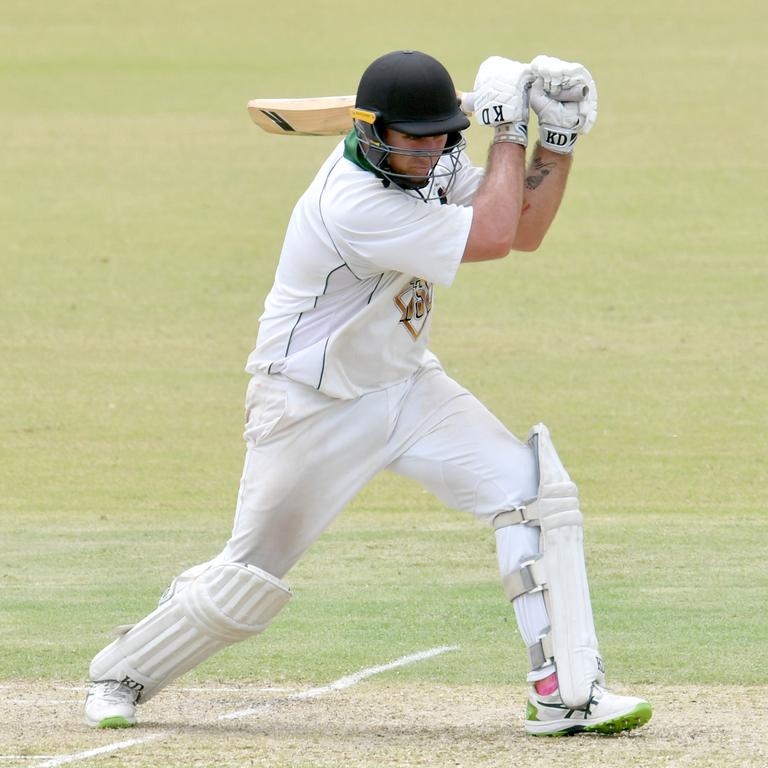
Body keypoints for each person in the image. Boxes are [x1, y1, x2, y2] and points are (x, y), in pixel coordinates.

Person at [84, 50, 652, 736]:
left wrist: (554, 142)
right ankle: (123, 671)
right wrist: (508, 131)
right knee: (248, 580)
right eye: (411, 140)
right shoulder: (352, 202)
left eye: (440, 136)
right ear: (370, 131)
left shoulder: (434, 162)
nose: (426, 153)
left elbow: (524, 225)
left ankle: (565, 692)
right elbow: (498, 236)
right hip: (308, 404)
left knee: (534, 495)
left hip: (406, 386)